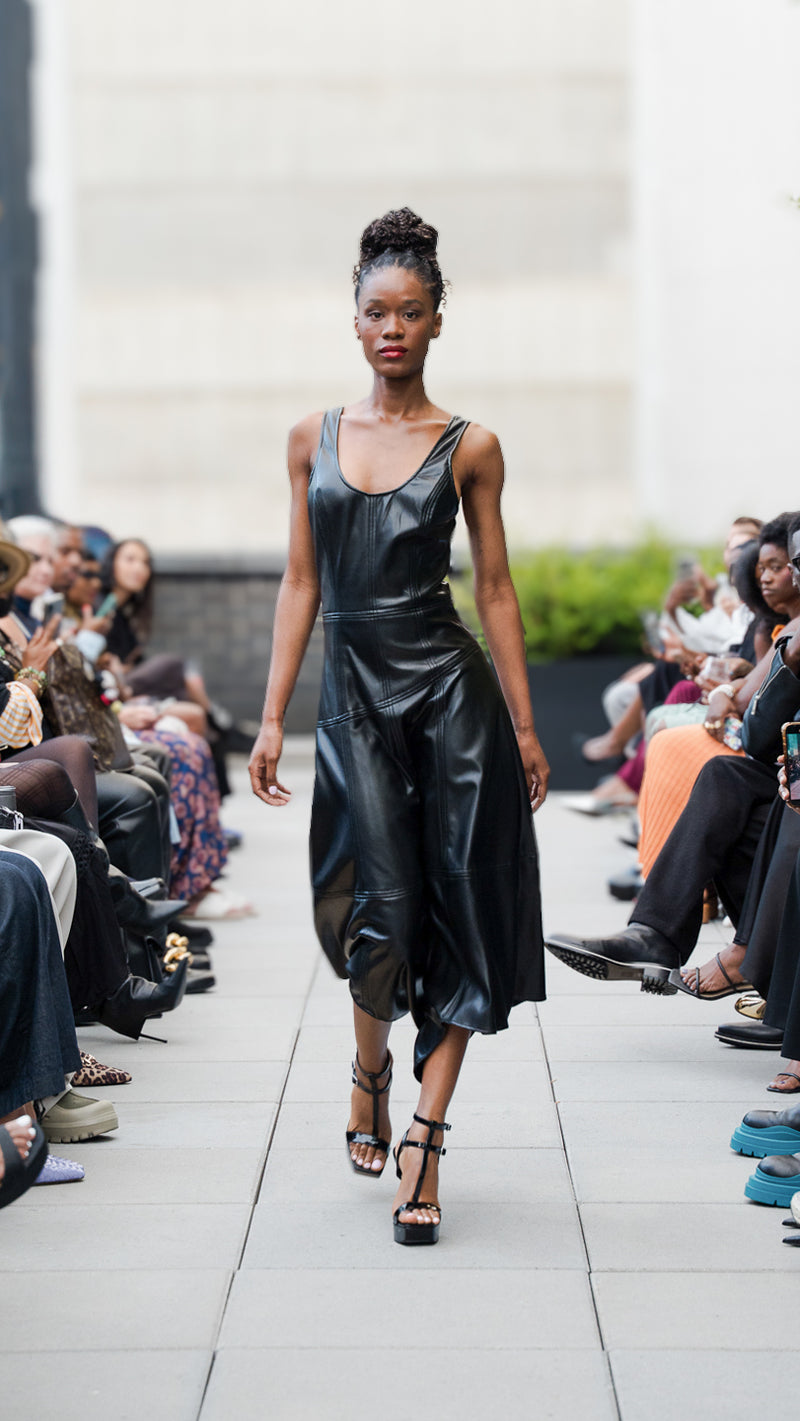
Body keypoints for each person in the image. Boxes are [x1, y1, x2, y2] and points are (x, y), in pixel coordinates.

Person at [249, 208, 548, 1246]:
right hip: (354, 704)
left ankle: (426, 1134)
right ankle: (370, 1068)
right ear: (355, 318)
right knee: (379, 908)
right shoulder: (312, 439)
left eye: (410, 312)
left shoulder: (471, 446)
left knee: (463, 907)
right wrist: (272, 716)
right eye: (376, 311)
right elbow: (301, 579)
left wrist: (524, 725)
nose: (392, 328)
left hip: (452, 700)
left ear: (435, 321)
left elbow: (496, 588)